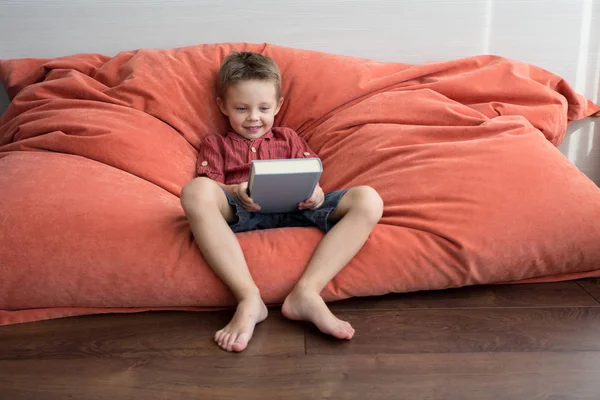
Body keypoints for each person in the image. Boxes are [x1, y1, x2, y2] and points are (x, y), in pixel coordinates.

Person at [180, 51, 383, 352]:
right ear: (223, 106)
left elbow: (310, 174)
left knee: (369, 199)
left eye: (263, 108)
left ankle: (307, 293)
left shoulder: (288, 138)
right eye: (241, 108)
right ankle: (249, 297)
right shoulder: (216, 144)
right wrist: (235, 191)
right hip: (243, 210)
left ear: (278, 106)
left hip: (299, 208)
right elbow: (211, 186)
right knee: (195, 191)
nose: (253, 118)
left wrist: (316, 194)